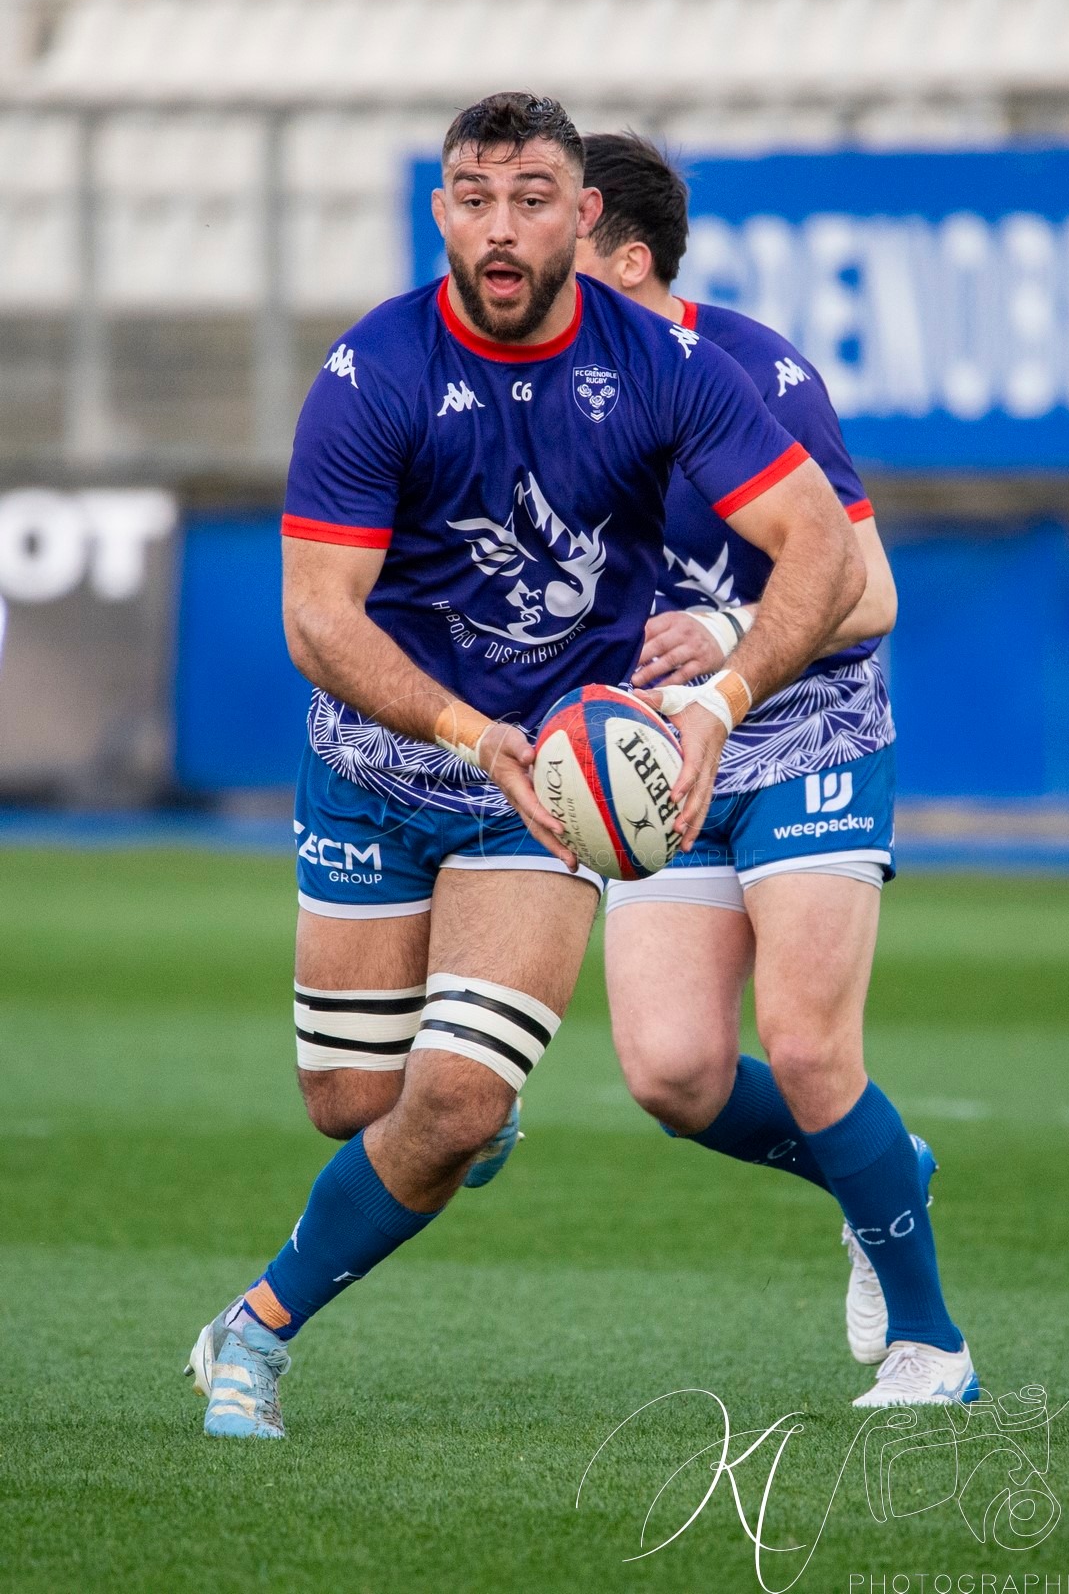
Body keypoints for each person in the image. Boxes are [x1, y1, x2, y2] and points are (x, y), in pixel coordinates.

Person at [185, 93, 865, 1438]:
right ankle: (451, 1125)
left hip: (550, 786)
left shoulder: (661, 365)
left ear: (582, 214)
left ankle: (252, 1333)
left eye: (533, 198)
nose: (503, 228)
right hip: (383, 767)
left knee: (448, 1100)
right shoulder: (373, 373)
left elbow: (823, 549)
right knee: (351, 1107)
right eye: (476, 198)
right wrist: (459, 730)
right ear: (442, 213)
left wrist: (723, 699)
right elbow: (318, 614)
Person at [574, 132, 976, 1408]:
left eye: (558, 238)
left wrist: (737, 635)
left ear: (628, 259)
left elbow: (876, 592)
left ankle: (933, 1346)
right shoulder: (537, 399)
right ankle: (879, 1170)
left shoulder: (748, 372)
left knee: (807, 1048)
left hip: (805, 727)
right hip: (664, 752)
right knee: (675, 1074)